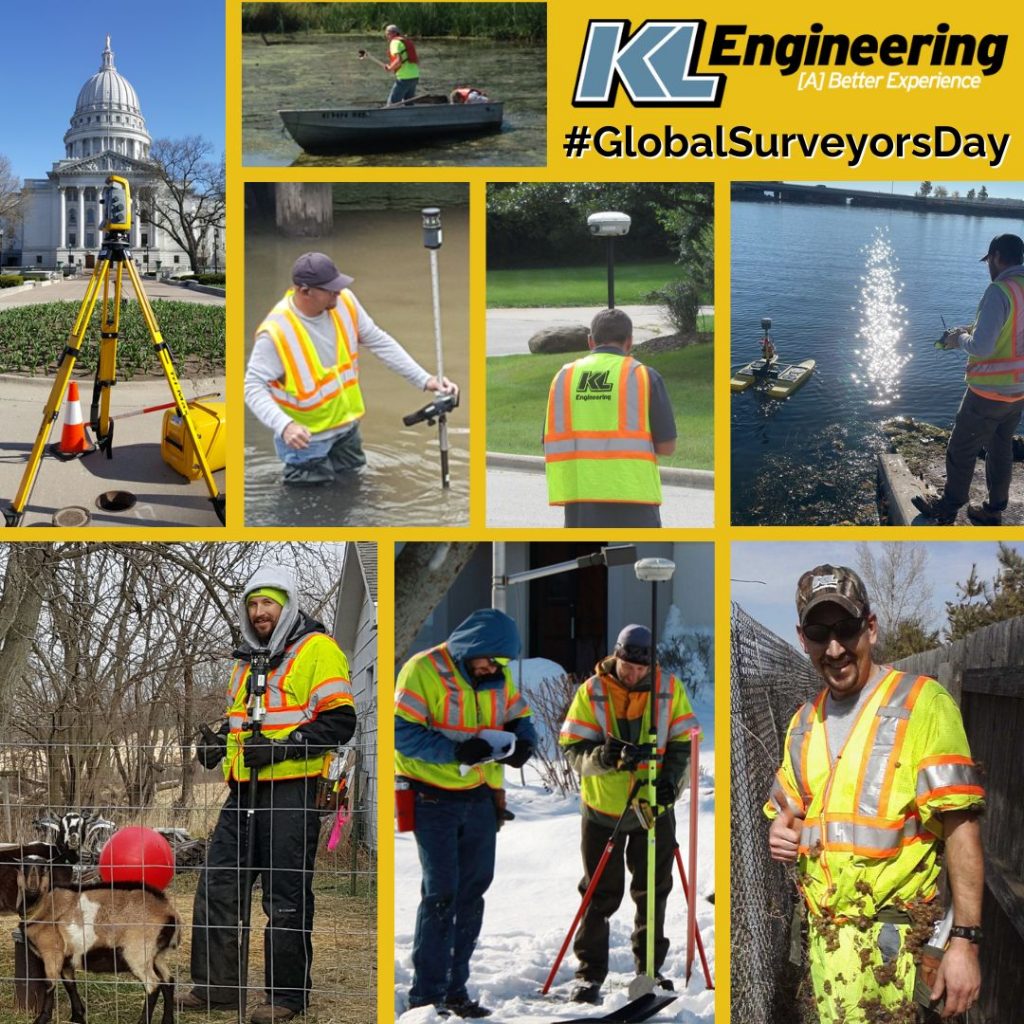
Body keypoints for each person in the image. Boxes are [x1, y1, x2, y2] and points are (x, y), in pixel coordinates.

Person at [766, 564, 985, 1024]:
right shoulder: (804, 723)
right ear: (801, 637)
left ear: (870, 627)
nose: (834, 648)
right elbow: (790, 812)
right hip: (828, 951)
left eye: (846, 629)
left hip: (897, 949)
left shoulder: (922, 704)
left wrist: (964, 940)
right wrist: (781, 830)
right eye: (818, 633)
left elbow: (961, 828)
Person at [177, 565, 357, 1024]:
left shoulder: (319, 650)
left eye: (268, 604)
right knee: (217, 886)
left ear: (288, 605)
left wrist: (281, 749)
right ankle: (216, 986)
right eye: (253, 605)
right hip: (242, 794)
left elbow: (340, 723)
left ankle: (286, 996)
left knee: (285, 897)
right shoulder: (246, 658)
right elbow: (246, 721)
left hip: (291, 795)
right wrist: (221, 741)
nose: (259, 612)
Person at [395, 609, 538, 1018]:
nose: (493, 668)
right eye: (489, 660)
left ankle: (456, 990)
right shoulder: (422, 671)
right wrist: (455, 751)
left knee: (473, 892)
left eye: (499, 663)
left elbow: (520, 717)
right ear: (471, 648)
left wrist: (524, 743)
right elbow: (401, 732)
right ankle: (426, 995)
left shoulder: (497, 676)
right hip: (431, 796)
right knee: (441, 893)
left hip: (478, 794)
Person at [558, 625, 700, 1004]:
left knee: (652, 891)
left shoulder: (668, 689)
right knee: (599, 893)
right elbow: (573, 750)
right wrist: (604, 758)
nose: (633, 674)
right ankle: (589, 975)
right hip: (604, 809)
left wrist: (671, 781)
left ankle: (648, 973)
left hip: (653, 809)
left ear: (651, 663)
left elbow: (684, 743)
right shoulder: (592, 692)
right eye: (626, 665)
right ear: (615, 656)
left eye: (640, 669)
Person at [244, 252, 457, 486]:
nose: (338, 292)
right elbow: (252, 387)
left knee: (354, 489)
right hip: (306, 442)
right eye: (330, 289)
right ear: (305, 291)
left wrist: (426, 380)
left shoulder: (345, 302)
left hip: (347, 429)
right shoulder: (276, 332)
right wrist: (284, 426)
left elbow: (378, 341)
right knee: (312, 511)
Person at [912, 233, 1024, 526]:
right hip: (1018, 392)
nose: (989, 268)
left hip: (988, 392)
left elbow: (982, 347)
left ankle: (947, 507)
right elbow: (1013, 332)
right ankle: (993, 509)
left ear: (998, 256)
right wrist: (972, 328)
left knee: (961, 447)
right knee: (1001, 448)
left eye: (989, 261)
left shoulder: (999, 291)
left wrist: (958, 338)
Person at [542, 308, 677, 528]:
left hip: (581, 505)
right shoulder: (644, 376)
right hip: (635, 499)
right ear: (630, 342)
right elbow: (667, 447)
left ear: (590, 341)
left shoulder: (564, 377)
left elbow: (549, 440)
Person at [377, 24, 419, 105]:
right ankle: (411, 117)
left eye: (387, 34)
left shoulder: (395, 43)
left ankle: (390, 117)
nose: (387, 36)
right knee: (409, 103)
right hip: (415, 76)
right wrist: (391, 66)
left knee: (392, 104)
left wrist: (390, 68)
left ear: (392, 33)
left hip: (404, 77)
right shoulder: (404, 41)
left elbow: (398, 60)